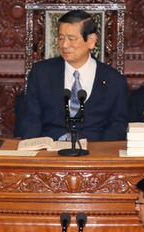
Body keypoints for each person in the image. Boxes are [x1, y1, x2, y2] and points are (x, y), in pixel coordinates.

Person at [18, 10, 128, 141]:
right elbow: (31, 121)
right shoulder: (41, 73)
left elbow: (118, 126)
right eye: (61, 38)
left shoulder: (114, 80)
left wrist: (100, 154)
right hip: (50, 153)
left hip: (95, 154)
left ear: (91, 41)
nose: (64, 45)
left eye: (71, 39)